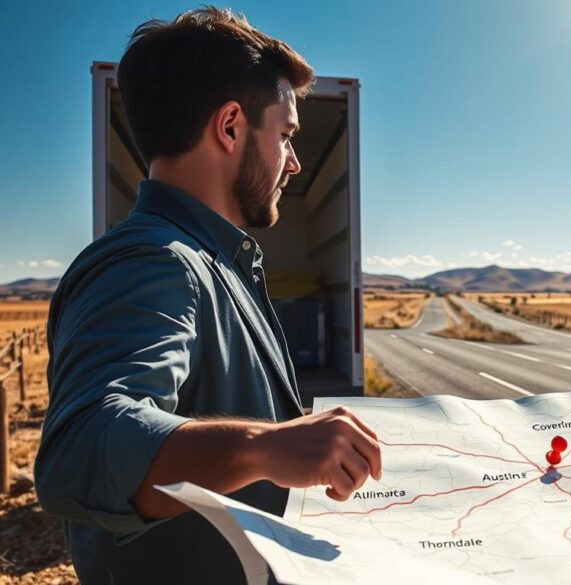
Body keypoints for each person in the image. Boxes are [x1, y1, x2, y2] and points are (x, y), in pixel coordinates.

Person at [34, 7, 382, 584]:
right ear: (230, 127)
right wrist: (261, 447)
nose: (292, 162)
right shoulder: (155, 262)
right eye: (287, 135)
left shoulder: (215, 262)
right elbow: (82, 448)